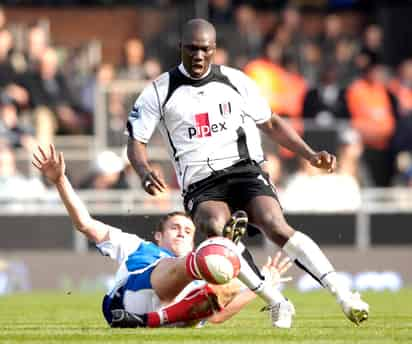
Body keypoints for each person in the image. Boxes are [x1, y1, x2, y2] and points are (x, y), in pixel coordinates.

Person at [126, 18, 369, 328]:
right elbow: (136, 142)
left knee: (274, 224)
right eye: (191, 49)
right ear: (180, 49)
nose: (198, 56)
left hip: (243, 168)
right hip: (201, 183)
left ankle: (344, 294)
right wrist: (144, 170)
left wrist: (309, 154)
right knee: (215, 227)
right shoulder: (158, 91)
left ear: (214, 50)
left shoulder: (235, 81)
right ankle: (277, 301)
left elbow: (271, 123)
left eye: (205, 49)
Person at [31, 144, 291, 328]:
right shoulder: (137, 247)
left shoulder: (202, 267)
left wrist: (266, 285)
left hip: (167, 316)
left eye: (188, 231)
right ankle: (226, 249)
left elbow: (217, 316)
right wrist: (60, 180)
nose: (181, 233)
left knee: (228, 283)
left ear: (193, 240)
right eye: (175, 228)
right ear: (158, 235)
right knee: (214, 265)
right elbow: (85, 224)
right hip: (129, 299)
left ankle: (151, 320)